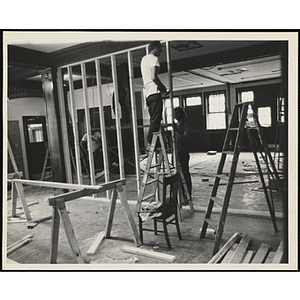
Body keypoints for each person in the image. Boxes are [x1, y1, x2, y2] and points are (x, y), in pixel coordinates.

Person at [140, 41, 168, 151]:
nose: (161, 50)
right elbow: (154, 77)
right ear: (155, 48)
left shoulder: (144, 59)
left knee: (153, 120)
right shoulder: (154, 59)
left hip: (147, 94)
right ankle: (150, 144)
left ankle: (153, 143)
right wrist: (163, 88)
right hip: (154, 92)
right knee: (156, 120)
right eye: (160, 48)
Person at [173, 106, 192, 199]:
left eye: (177, 113)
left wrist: (176, 131)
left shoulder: (185, 124)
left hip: (183, 152)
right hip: (176, 151)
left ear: (181, 114)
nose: (175, 115)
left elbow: (185, 139)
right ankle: (182, 194)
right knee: (178, 175)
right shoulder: (177, 124)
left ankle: (188, 193)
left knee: (184, 173)